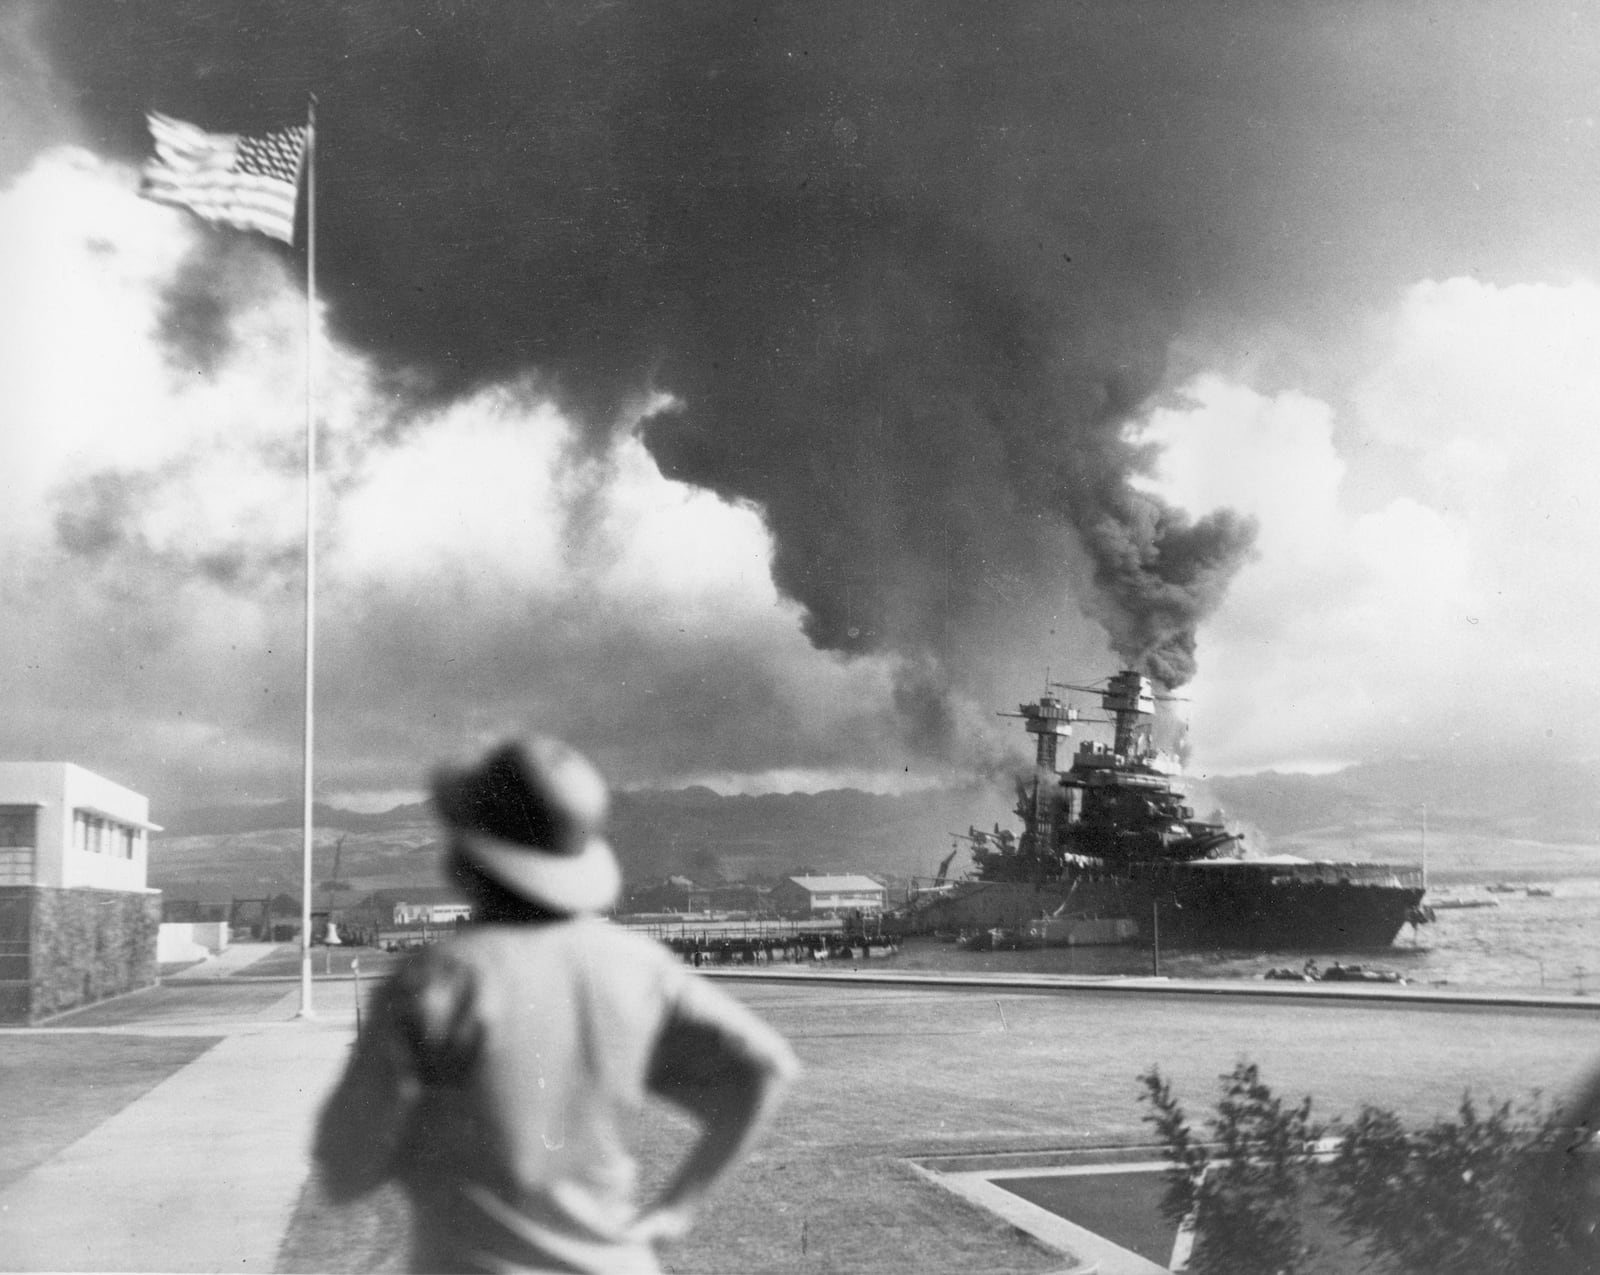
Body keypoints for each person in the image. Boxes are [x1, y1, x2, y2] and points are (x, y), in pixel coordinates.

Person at [314, 736, 798, 1274]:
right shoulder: (639, 965)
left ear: (466, 859)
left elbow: (344, 1170)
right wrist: (675, 1212)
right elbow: (766, 1069)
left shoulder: (435, 980)